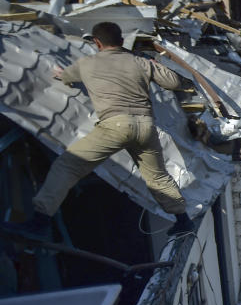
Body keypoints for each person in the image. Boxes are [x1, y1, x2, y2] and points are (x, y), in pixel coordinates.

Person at [10, 22, 194, 237]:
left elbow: (65, 75)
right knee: (157, 177)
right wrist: (154, 64)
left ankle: (40, 221)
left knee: (68, 165)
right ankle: (183, 219)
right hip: (145, 127)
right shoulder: (139, 62)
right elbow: (173, 82)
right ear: (122, 41)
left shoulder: (87, 63)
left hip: (114, 126)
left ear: (97, 42)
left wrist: (60, 73)